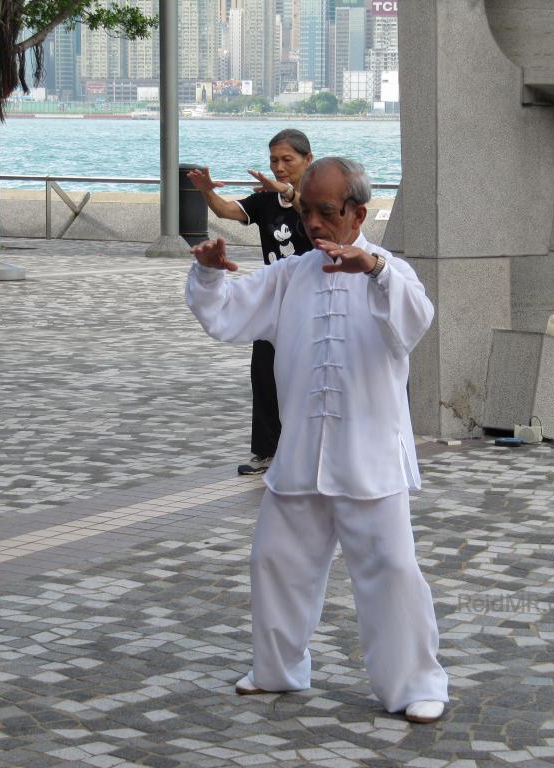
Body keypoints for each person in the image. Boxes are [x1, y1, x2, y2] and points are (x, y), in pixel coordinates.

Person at [185, 157, 449, 723]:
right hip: (302, 455)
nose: (313, 223)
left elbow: (414, 322)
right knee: (275, 561)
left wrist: (373, 267)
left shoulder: (392, 272)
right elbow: (227, 316)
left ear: (357, 212)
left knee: (392, 572)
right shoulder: (289, 276)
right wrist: (209, 275)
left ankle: (415, 684)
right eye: (306, 211)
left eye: (326, 212)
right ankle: (277, 669)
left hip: (370, 459)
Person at [187, 129, 313, 476]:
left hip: (312, 304)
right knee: (264, 372)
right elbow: (228, 211)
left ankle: (308, 449)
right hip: (273, 305)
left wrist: (289, 192)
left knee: (307, 376)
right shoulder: (264, 201)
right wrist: (206, 191)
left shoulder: (317, 199)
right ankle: (268, 452)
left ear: (308, 160)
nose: (279, 167)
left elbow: (318, 214)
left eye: (287, 159)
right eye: (274, 160)